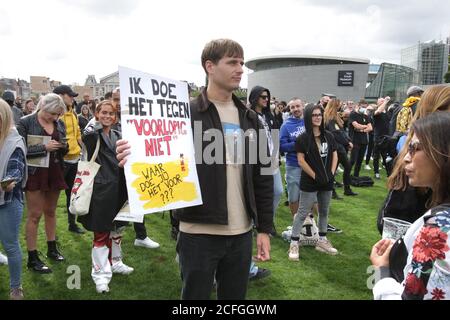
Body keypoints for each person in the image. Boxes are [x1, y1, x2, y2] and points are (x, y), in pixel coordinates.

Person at [117, 38, 273, 300]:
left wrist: (265, 229)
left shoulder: (250, 118)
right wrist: (132, 155)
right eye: (232, 62)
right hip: (197, 232)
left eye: (242, 63)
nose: (240, 69)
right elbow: (157, 157)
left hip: (242, 233)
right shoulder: (183, 113)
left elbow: (264, 176)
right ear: (209, 66)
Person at [370, 112, 450, 300]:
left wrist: (381, 272)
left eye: (414, 148)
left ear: (442, 152)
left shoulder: (439, 228)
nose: (406, 157)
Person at [79, 100, 132, 293]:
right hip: (101, 191)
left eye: (111, 113)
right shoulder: (92, 134)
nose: (107, 116)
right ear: (96, 114)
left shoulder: (119, 135)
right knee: (101, 233)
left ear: (116, 116)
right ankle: (100, 275)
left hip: (121, 190)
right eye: (103, 112)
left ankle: (116, 262)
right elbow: (87, 137)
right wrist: (96, 121)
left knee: (117, 230)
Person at [17, 93, 68, 273]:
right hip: (35, 173)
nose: (55, 118)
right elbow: (20, 150)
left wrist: (63, 145)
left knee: (51, 212)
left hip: (55, 171)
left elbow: (65, 148)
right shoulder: (26, 122)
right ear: (43, 106)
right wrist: (44, 148)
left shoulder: (59, 123)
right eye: (52, 114)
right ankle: (32, 257)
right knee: (34, 215)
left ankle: (52, 248)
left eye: (58, 115)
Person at [288, 103, 338, 261]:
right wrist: (315, 176)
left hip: (327, 181)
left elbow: (335, 155)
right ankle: (294, 243)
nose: (317, 118)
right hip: (310, 181)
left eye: (319, 115)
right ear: (308, 118)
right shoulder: (303, 138)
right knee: (302, 212)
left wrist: (331, 173)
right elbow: (301, 161)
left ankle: (322, 241)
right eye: (314, 115)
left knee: (324, 211)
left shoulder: (329, 136)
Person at [0, 98, 27, 300]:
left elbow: (14, 173)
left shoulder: (14, 142)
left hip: (7, 201)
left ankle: (16, 287)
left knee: (10, 244)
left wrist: (8, 182)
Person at [248, 85, 283, 236]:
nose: (266, 100)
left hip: (272, 159)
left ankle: (267, 221)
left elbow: (274, 136)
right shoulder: (248, 115)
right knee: (256, 193)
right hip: (256, 159)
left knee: (277, 191)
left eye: (267, 97)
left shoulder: (269, 116)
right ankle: (256, 223)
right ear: (255, 98)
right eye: (263, 97)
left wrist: (277, 155)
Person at [54, 85, 85, 234]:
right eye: (70, 95)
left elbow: (77, 132)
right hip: (61, 161)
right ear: (60, 96)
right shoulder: (56, 114)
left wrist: (84, 149)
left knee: (72, 195)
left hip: (75, 159)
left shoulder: (73, 113)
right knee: (52, 197)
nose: (72, 98)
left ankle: (72, 224)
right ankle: (51, 233)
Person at [324, 99, 357, 196]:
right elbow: (336, 134)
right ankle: (341, 190)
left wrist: (348, 141)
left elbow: (341, 131)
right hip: (337, 147)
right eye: (339, 105)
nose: (340, 106)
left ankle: (341, 190)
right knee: (344, 167)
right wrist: (347, 143)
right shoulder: (330, 118)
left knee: (335, 169)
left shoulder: (334, 117)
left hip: (339, 147)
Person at [279, 98, 305, 217]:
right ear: (289, 109)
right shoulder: (286, 125)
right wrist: (298, 143)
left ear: (302, 106)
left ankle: (311, 225)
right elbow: (282, 146)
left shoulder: (309, 121)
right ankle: (296, 224)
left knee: (310, 196)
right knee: (294, 196)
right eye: (292, 107)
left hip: (310, 165)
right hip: (294, 165)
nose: (296, 109)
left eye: (298, 106)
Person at [349, 99, 372, 177]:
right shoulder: (353, 114)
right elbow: (356, 126)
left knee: (359, 161)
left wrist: (361, 129)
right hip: (355, 140)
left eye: (365, 107)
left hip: (364, 141)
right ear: (358, 105)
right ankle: (347, 176)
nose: (364, 109)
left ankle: (356, 176)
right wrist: (365, 127)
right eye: (362, 107)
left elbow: (370, 128)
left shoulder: (366, 116)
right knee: (352, 160)